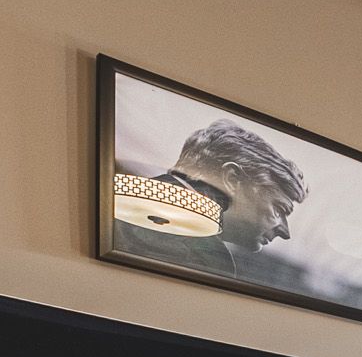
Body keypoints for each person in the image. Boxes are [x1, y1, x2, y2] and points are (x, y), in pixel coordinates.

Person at [115, 118, 308, 278]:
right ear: (232, 179)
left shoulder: (132, 204)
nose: (285, 232)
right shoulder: (204, 254)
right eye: (279, 209)